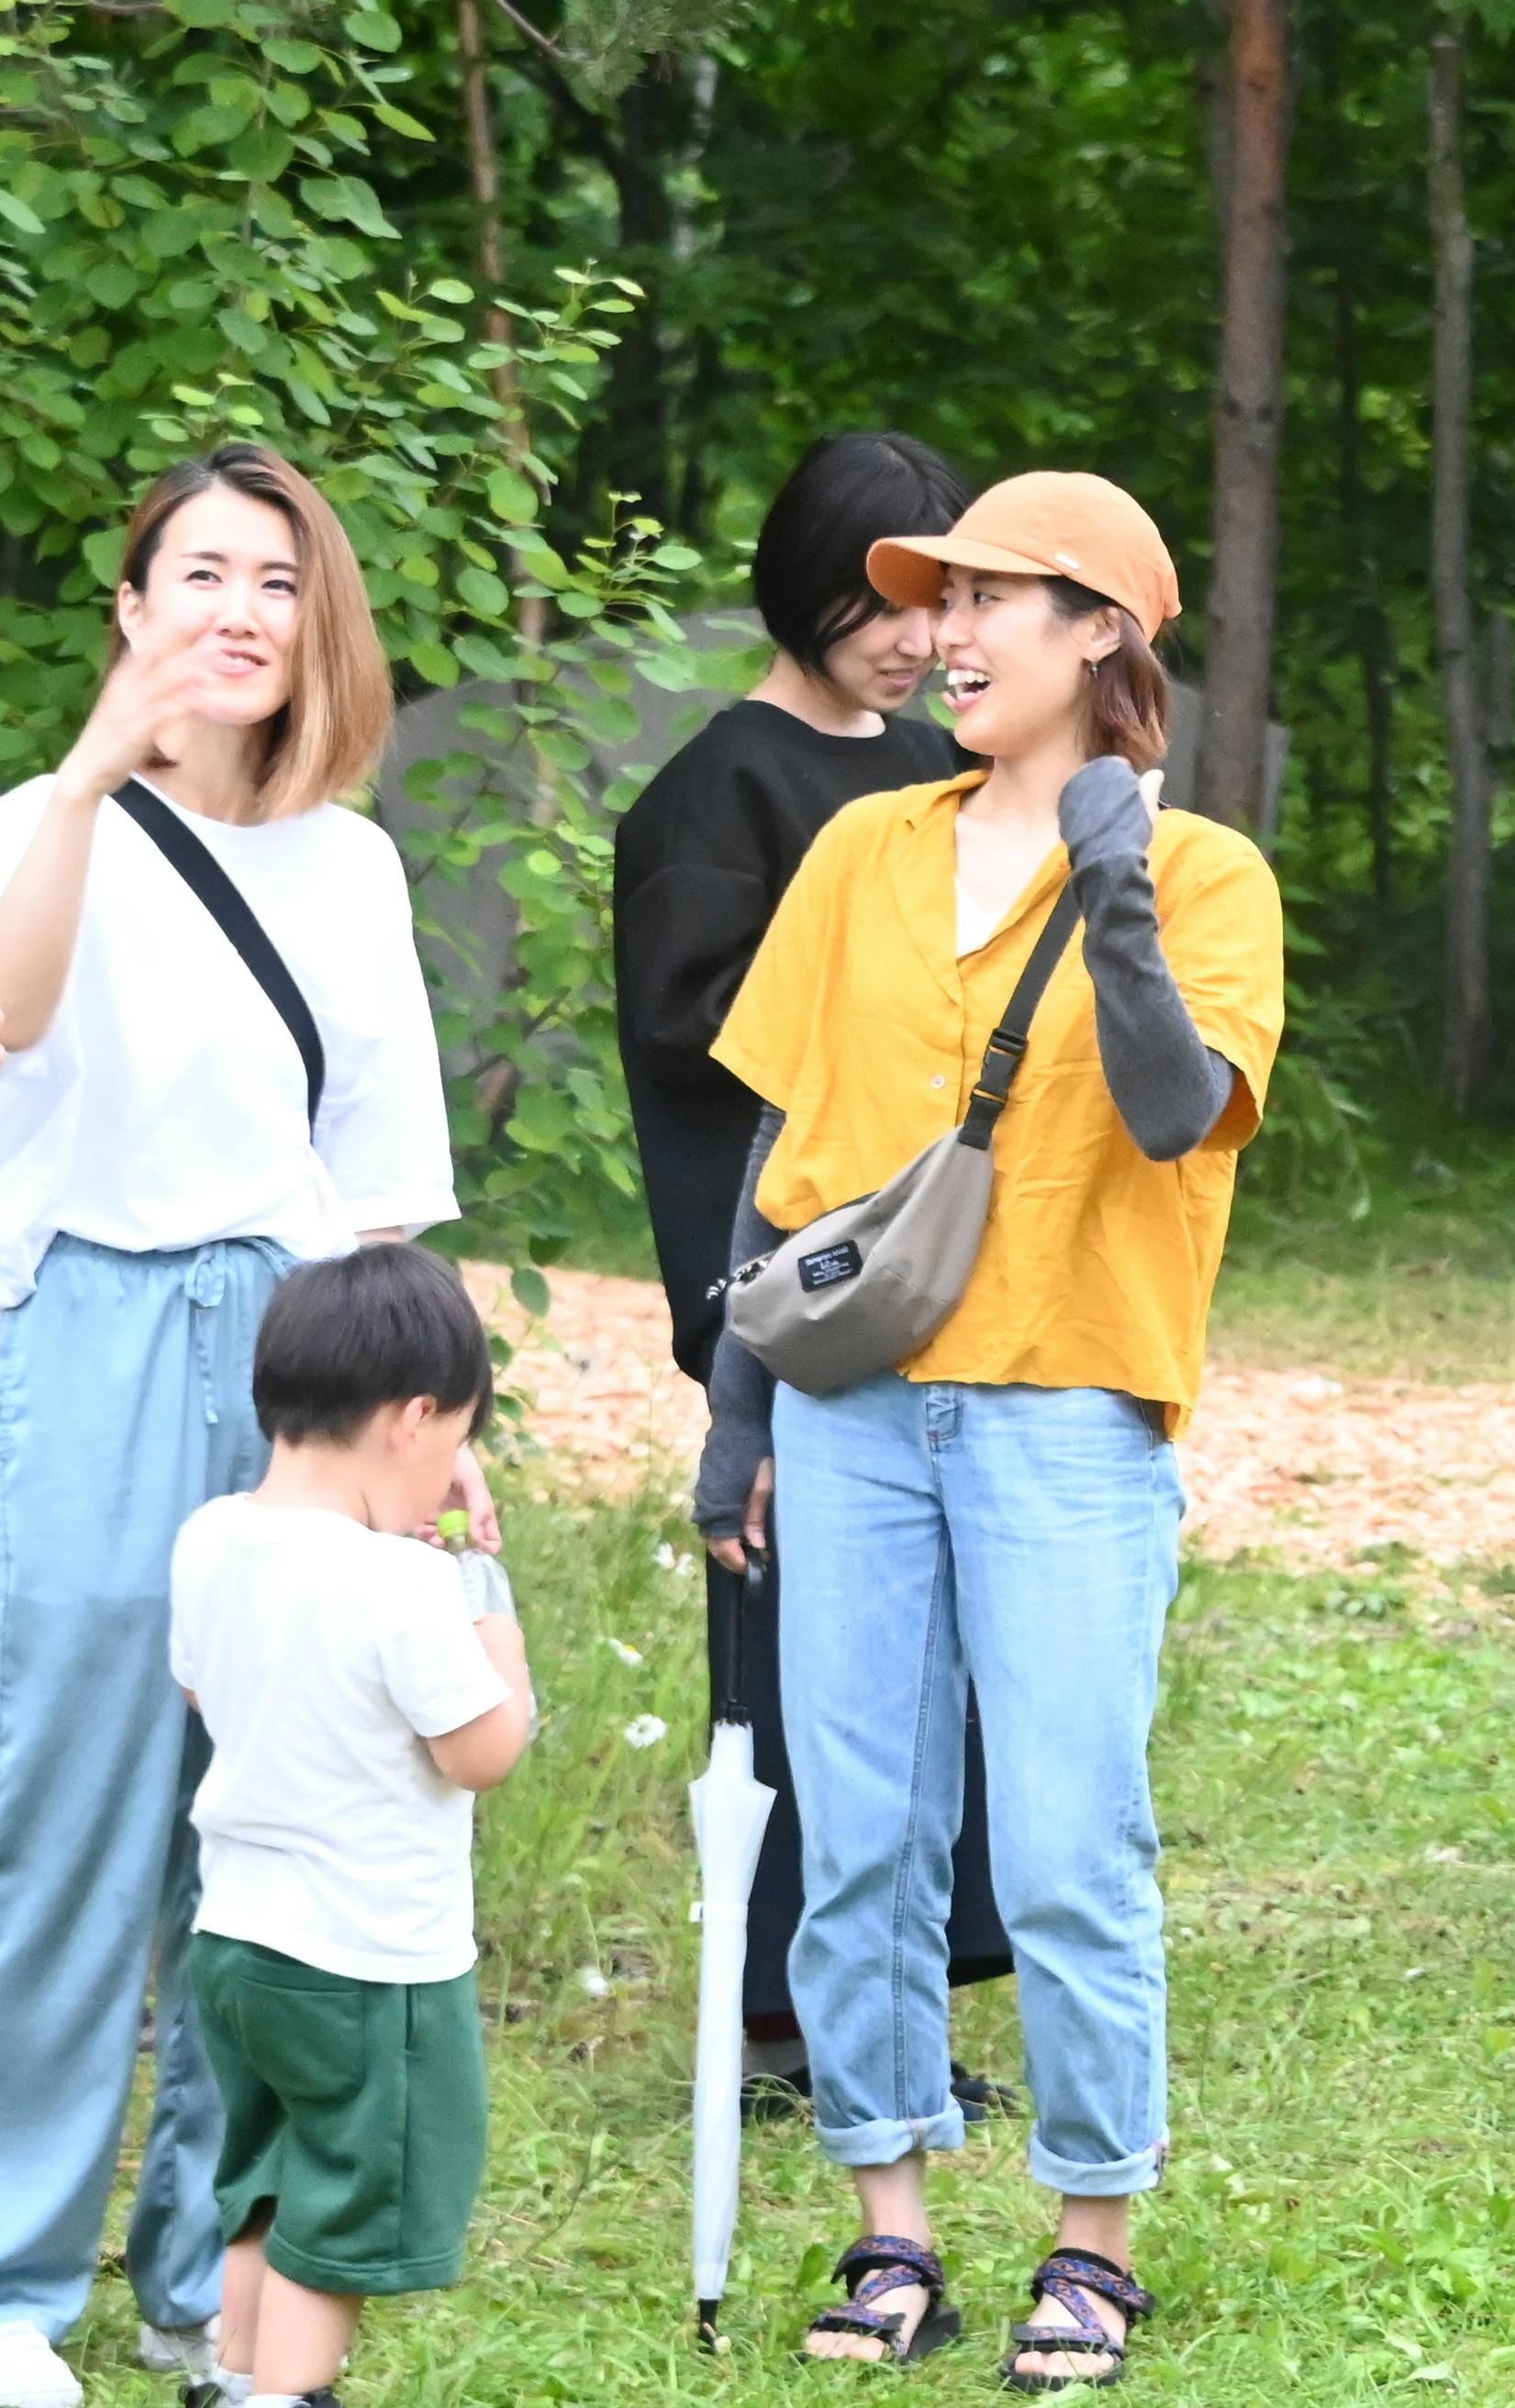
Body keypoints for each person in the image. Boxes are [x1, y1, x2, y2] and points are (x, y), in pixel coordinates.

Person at [692, 472, 1281, 2386]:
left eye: (985, 600)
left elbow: (1179, 1110)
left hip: (1069, 1406)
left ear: (1101, 630)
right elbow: (783, 1148)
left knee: (1065, 1845)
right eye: (932, 603)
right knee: (861, 1832)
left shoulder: (1206, 874)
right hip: (852, 1411)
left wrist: (1116, 889)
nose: (941, 635)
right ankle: (893, 2224)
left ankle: (1094, 2238)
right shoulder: (863, 847)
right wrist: (737, 1415)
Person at [0, 446, 465, 2408]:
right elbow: (12, 1018)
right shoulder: (44, 823)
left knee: (271, 1818)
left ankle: (205, 2276)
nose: (241, 612)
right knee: (64, 1807)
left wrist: (428, 1426)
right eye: (200, 572)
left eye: (278, 580)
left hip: (302, 1345)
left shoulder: (349, 865)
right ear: (132, 606)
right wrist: (92, 773)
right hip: (86, 1323)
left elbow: (381, 1179)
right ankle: (16, 2281)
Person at [611, 430, 1017, 2113]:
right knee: (797, 1671)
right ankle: (786, 2021)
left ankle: (896, 2007)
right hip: (801, 1293)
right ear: (802, 584)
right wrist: (744, 1354)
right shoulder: (715, 793)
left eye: (939, 601)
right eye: (878, 600)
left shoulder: (941, 763)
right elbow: (711, 1071)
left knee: (931, 1666)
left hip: (956, 1281)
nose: (914, 639)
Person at [171, 1244, 530, 2408]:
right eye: (453, 1441)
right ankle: (287, 2395)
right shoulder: (405, 1584)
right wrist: (487, 1603)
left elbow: (200, 1687)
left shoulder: (210, 1534)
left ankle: (233, 2378)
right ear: (414, 1418)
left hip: (237, 1940)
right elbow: (483, 1750)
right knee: (345, 2202)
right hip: (367, 1961)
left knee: (268, 2173)